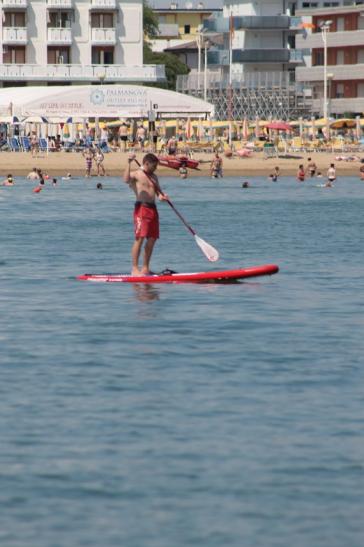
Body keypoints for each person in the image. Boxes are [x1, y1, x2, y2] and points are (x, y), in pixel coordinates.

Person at [123, 152, 168, 276]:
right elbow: (126, 179)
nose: (156, 168)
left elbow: (159, 193)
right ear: (146, 163)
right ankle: (134, 269)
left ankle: (145, 268)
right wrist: (128, 163)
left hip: (153, 209)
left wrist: (162, 197)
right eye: (154, 166)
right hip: (141, 209)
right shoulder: (137, 174)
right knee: (140, 238)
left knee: (152, 238)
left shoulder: (154, 177)